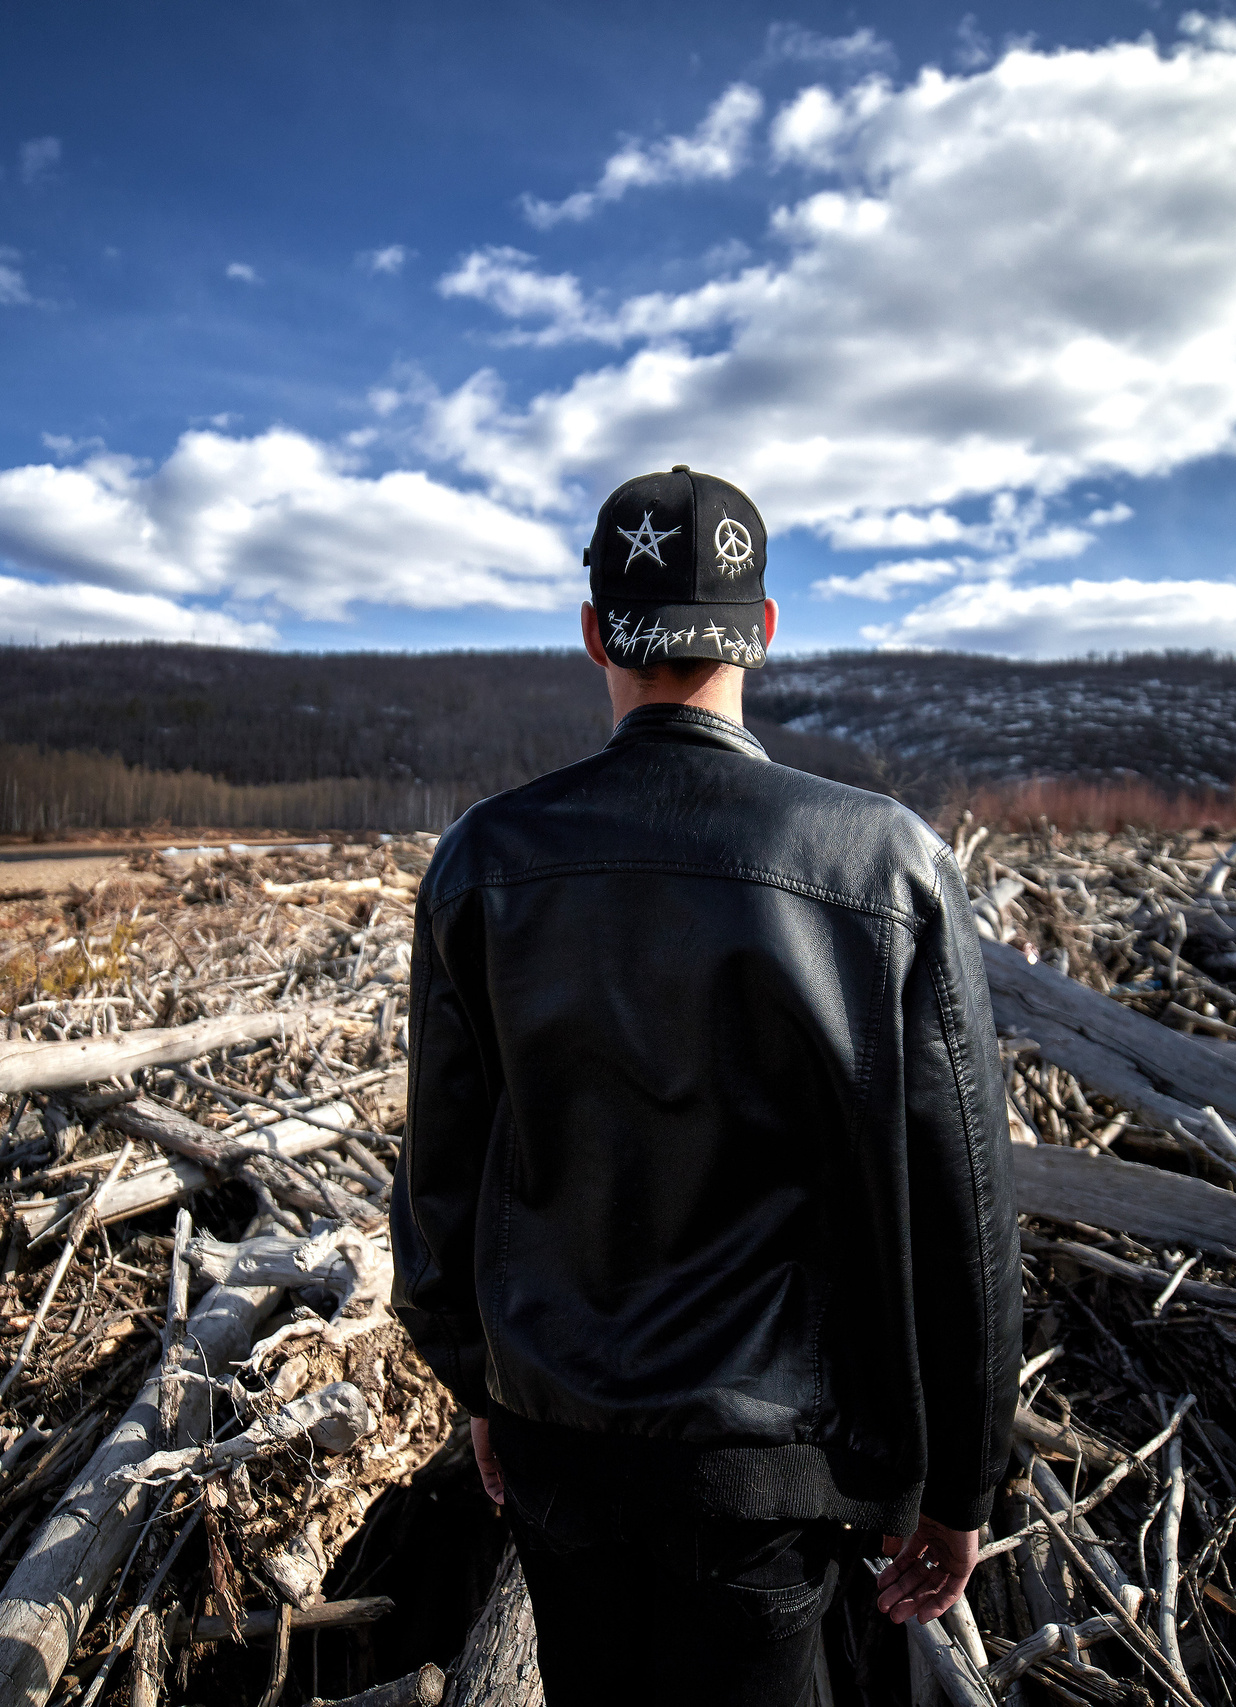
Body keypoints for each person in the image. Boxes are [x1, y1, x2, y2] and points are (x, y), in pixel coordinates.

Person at [392, 465, 1017, 1704]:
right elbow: (966, 1208)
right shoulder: (882, 862)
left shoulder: (486, 861)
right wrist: (960, 1482)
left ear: (592, 636)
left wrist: (480, 1385)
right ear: (765, 632)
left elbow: (441, 1184)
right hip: (778, 1477)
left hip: (561, 1454)